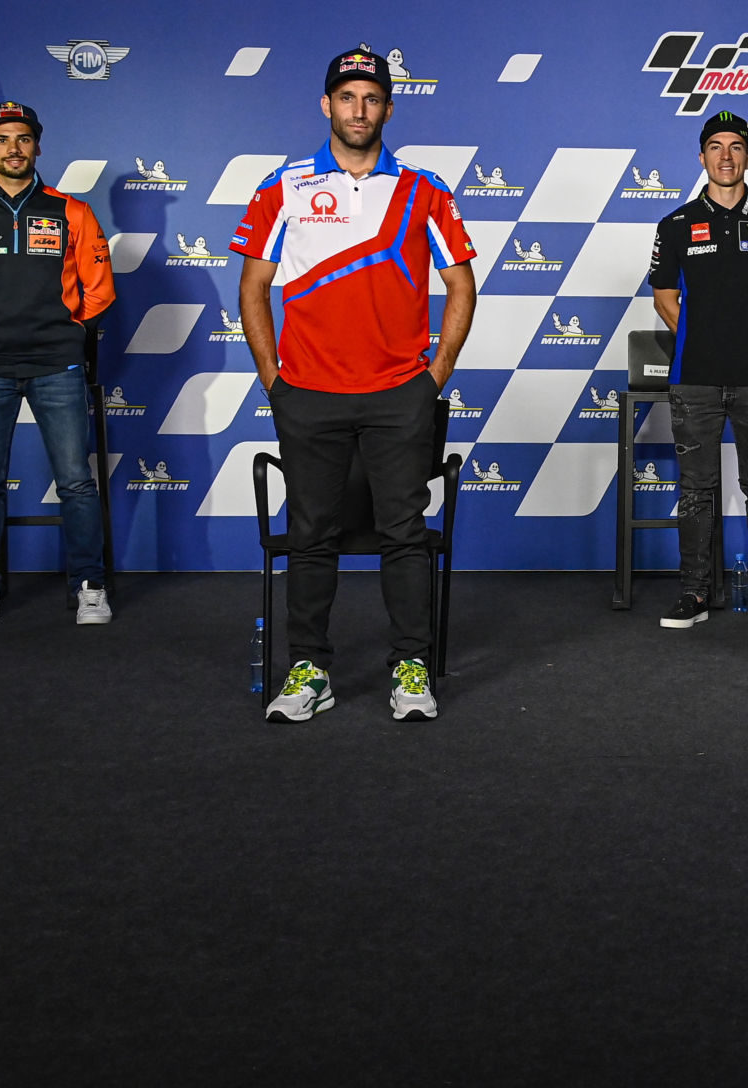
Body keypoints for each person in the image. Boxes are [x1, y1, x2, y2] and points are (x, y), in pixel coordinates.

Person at [232, 47, 477, 722]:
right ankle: (309, 669)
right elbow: (253, 286)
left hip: (400, 392)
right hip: (307, 393)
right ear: (326, 105)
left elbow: (461, 283)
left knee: (403, 531)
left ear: (388, 109)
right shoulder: (283, 185)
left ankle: (411, 665)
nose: (358, 110)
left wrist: (435, 376)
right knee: (311, 533)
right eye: (347, 97)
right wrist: (272, 378)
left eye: (371, 99)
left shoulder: (424, 189)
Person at [0, 101, 115, 628]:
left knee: (76, 480)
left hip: (56, 362)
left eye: (23, 138)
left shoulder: (72, 212)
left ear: (38, 145)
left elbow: (98, 291)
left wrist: (63, 325)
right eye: (3, 139)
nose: (14, 148)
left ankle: (89, 586)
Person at [647, 110, 748, 631]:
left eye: (735, 146)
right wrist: (705, 337)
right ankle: (693, 593)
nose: (725, 156)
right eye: (715, 146)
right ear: (701, 157)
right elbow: (664, 298)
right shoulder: (674, 225)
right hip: (692, 379)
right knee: (696, 490)